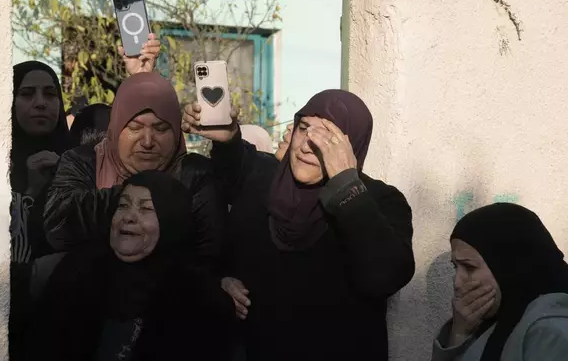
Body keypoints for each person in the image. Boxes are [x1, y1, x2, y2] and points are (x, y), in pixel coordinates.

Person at [182, 89, 415, 361]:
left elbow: (386, 276)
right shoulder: (265, 183)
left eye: (326, 137)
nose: (306, 144)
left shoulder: (379, 200)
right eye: (303, 128)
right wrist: (222, 283)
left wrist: (346, 186)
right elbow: (218, 252)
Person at [25, 170, 235, 360]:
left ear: (171, 221)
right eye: (123, 205)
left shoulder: (200, 298)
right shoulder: (78, 270)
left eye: (145, 209)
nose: (128, 218)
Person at [44, 72, 226, 269]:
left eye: (161, 129)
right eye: (135, 127)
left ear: (176, 133)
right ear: (115, 127)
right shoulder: (84, 161)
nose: (147, 141)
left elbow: (210, 256)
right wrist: (145, 196)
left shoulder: (194, 173)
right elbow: (58, 226)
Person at [432, 203, 568, 361]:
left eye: (469, 267)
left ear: (508, 268)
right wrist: (459, 333)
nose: (457, 283)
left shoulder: (549, 336)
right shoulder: (487, 323)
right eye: (455, 267)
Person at [9, 60, 73, 360]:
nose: (40, 103)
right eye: (26, 94)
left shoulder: (78, 164)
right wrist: (31, 193)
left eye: (50, 94)